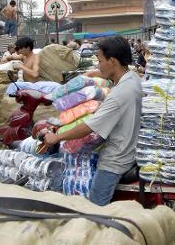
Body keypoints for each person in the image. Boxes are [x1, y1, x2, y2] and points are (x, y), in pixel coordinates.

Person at [44, 36, 142, 206]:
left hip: (115, 160)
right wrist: (92, 75)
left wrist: (58, 137)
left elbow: (89, 127)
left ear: (112, 61)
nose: (98, 65)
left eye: (100, 60)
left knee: (95, 210)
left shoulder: (119, 95)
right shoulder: (132, 79)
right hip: (131, 149)